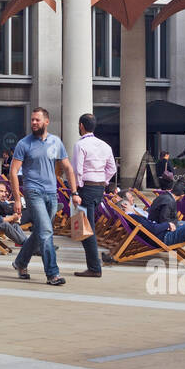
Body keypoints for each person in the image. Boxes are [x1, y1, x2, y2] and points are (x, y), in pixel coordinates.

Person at [9, 107, 78, 286]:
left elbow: (68, 168)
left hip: (51, 193)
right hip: (33, 191)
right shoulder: (24, 144)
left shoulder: (56, 142)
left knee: (40, 231)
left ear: (46, 122)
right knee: (47, 231)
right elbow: (13, 171)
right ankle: (52, 274)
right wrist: (17, 198)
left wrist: (74, 192)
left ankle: (20, 263)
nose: (33, 123)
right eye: (32, 120)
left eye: (37, 120)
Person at [118, 187, 185, 269]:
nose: (132, 205)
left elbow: (151, 227)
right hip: (164, 238)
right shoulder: (133, 217)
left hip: (161, 235)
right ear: (124, 206)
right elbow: (153, 229)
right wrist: (167, 225)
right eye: (129, 204)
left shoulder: (133, 217)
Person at [70, 113, 116, 277]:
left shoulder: (80, 145)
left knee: (86, 229)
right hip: (98, 189)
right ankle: (93, 266)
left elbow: (77, 170)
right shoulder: (105, 145)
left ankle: (94, 267)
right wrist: (103, 181)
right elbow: (112, 168)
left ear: (81, 125)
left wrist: (76, 191)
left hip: (85, 189)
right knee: (87, 227)